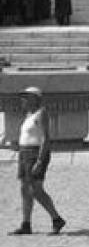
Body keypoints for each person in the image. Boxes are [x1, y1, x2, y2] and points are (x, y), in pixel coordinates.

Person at [9, 87, 65, 236]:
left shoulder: (41, 113)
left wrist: (40, 160)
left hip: (35, 154)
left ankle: (56, 218)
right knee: (25, 189)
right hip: (24, 153)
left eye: (26, 97)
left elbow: (46, 138)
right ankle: (26, 223)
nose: (23, 100)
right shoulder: (29, 114)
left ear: (35, 98)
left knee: (36, 190)